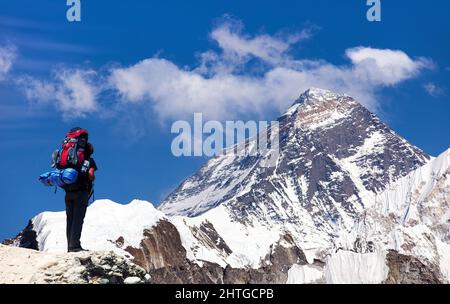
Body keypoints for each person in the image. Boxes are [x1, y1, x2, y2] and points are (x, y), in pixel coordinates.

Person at [62, 128, 98, 253]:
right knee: (78, 219)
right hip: (81, 192)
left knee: (70, 219)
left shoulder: (70, 160)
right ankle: (75, 246)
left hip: (68, 192)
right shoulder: (89, 161)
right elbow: (91, 175)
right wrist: (91, 177)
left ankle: (69, 247)